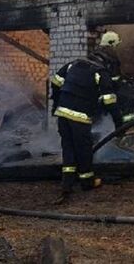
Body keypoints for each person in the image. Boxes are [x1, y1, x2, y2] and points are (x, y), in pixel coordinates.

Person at [50, 42, 124, 203]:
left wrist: (56, 103)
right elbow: (110, 101)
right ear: (106, 61)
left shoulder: (73, 65)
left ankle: (67, 184)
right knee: (84, 150)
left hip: (62, 114)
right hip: (80, 117)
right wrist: (119, 124)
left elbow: (55, 82)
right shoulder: (100, 72)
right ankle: (87, 182)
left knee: (68, 149)